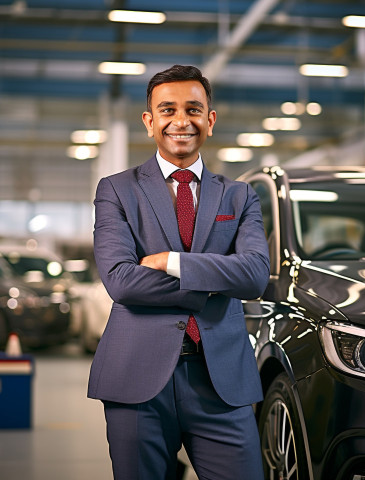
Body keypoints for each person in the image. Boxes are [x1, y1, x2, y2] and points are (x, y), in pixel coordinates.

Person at [87, 64, 270, 480]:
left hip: (221, 380)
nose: (181, 120)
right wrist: (212, 284)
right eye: (167, 110)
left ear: (210, 119)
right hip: (137, 378)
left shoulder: (240, 195)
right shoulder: (117, 190)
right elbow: (120, 279)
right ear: (150, 121)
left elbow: (256, 275)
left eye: (193, 108)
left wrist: (174, 263)